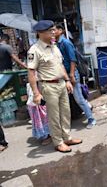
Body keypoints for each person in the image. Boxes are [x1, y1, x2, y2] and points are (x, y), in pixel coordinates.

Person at [27, 20, 82, 153]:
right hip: (48, 86)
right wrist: (36, 93)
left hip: (62, 84)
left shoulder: (54, 46)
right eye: (50, 31)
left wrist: (67, 80)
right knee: (54, 116)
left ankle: (67, 137)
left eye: (53, 30)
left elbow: (61, 65)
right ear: (40, 33)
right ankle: (58, 142)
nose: (53, 32)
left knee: (66, 112)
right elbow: (31, 72)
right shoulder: (34, 50)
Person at [54, 24, 96, 129]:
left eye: (54, 30)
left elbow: (73, 60)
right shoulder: (56, 44)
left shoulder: (65, 43)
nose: (53, 32)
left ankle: (91, 118)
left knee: (79, 98)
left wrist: (72, 74)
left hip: (70, 73)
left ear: (61, 30)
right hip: (63, 74)